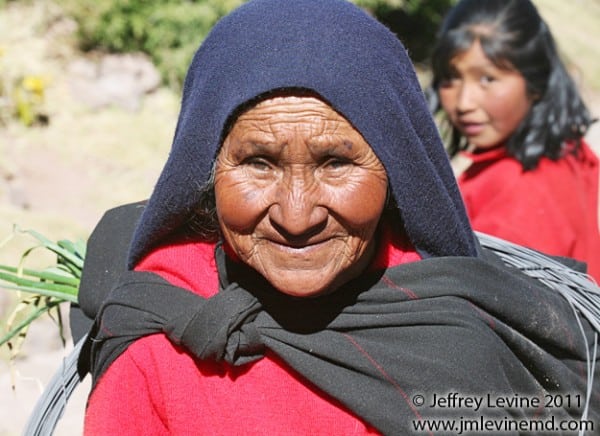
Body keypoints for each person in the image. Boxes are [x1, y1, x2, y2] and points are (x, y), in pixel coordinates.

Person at [76, 0, 599, 434]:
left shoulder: (452, 331)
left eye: (337, 163)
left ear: (396, 173)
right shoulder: (154, 352)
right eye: (258, 163)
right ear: (205, 173)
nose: (297, 215)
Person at [428, 0, 600, 282]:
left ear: (535, 83)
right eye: (450, 79)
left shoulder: (520, 195)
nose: (463, 102)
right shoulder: (565, 151)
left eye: (487, 78)